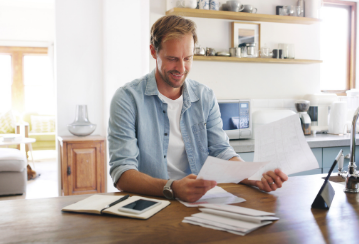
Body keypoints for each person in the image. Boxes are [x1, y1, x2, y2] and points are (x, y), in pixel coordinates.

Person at [108, 15, 288, 203]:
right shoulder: (127, 99)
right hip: (149, 204)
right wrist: (173, 188)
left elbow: (221, 151)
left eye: (188, 58)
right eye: (172, 59)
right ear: (153, 52)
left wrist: (255, 177)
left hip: (198, 203)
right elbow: (122, 172)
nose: (181, 67)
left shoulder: (205, 96)